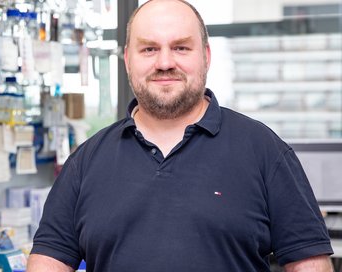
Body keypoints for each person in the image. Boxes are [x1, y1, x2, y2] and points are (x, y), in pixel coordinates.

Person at [27, 0, 334, 271]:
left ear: (206, 56)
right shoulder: (86, 160)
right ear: (127, 60)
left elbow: (309, 263)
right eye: (149, 49)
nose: (164, 63)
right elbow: (48, 261)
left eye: (181, 47)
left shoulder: (264, 150)